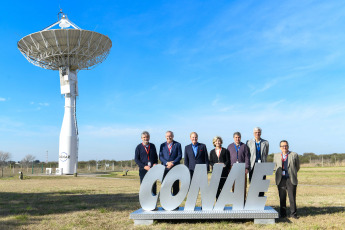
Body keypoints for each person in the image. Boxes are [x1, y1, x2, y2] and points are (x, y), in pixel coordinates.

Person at [274, 140, 300, 219]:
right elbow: (275, 167)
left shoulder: (294, 155)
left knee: (292, 197)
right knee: (282, 197)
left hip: (290, 178)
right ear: (280, 147)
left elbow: (297, 167)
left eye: (286, 146)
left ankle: (293, 214)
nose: (284, 147)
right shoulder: (276, 155)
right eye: (282, 146)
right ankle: (282, 214)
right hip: (280, 179)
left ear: (288, 146)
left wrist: (292, 173)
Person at [159, 131, 182, 195]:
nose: (169, 137)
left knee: (176, 186)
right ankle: (166, 203)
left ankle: (176, 204)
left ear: (173, 136)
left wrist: (173, 163)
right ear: (165, 137)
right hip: (165, 169)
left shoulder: (178, 144)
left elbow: (179, 155)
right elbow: (160, 156)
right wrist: (167, 163)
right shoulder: (162, 145)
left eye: (170, 136)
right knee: (165, 186)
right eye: (167, 136)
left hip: (175, 168)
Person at [227, 132, 250, 196]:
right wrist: (228, 168)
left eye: (238, 137)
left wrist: (247, 167)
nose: (237, 139)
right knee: (234, 184)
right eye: (236, 137)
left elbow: (247, 157)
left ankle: (243, 201)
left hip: (242, 167)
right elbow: (228, 158)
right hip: (232, 167)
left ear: (240, 138)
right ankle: (235, 201)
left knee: (243, 185)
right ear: (233, 138)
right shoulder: (230, 146)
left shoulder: (244, 146)